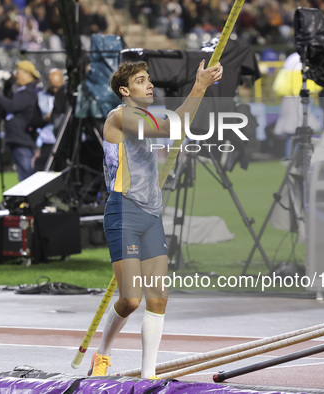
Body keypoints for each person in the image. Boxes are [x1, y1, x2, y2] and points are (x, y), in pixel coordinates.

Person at [88, 59, 222, 378]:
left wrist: (198, 95)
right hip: (123, 212)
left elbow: (178, 125)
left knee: (158, 298)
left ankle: (149, 376)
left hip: (151, 215)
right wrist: (199, 86)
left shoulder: (147, 115)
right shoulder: (119, 116)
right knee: (131, 300)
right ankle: (103, 354)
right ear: (125, 90)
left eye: (149, 80)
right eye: (141, 81)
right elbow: (167, 127)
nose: (150, 85)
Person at [0, 60, 42, 181]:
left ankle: (29, 199)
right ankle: (27, 199)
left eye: (18, 72)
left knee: (26, 176)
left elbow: (11, 106)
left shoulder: (29, 92)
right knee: (23, 174)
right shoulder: (23, 91)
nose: (15, 75)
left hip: (23, 139)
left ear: (27, 73)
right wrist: (7, 86)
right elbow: (6, 109)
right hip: (18, 139)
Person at [33, 68, 64, 172]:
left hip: (65, 142)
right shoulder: (41, 97)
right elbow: (35, 120)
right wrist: (45, 118)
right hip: (48, 141)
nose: (56, 90)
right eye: (53, 86)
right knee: (42, 173)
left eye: (58, 87)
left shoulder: (69, 96)